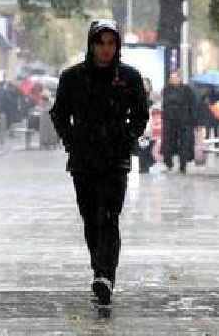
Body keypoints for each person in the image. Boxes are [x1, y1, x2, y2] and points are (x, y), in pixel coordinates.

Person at [50, 19, 149, 307]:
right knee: (91, 217)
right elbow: (59, 113)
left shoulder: (129, 78)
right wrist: (72, 139)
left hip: (115, 159)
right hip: (83, 160)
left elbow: (141, 115)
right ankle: (98, 267)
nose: (105, 49)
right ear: (91, 44)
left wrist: (125, 135)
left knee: (109, 216)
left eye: (110, 43)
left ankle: (106, 274)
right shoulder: (73, 78)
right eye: (100, 43)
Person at [161, 71, 197, 174]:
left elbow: (193, 105)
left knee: (184, 144)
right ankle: (168, 163)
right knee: (168, 143)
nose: (173, 79)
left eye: (175, 77)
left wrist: (193, 120)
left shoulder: (187, 90)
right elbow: (165, 104)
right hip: (169, 120)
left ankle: (183, 165)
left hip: (184, 120)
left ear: (180, 78)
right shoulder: (166, 89)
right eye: (171, 78)